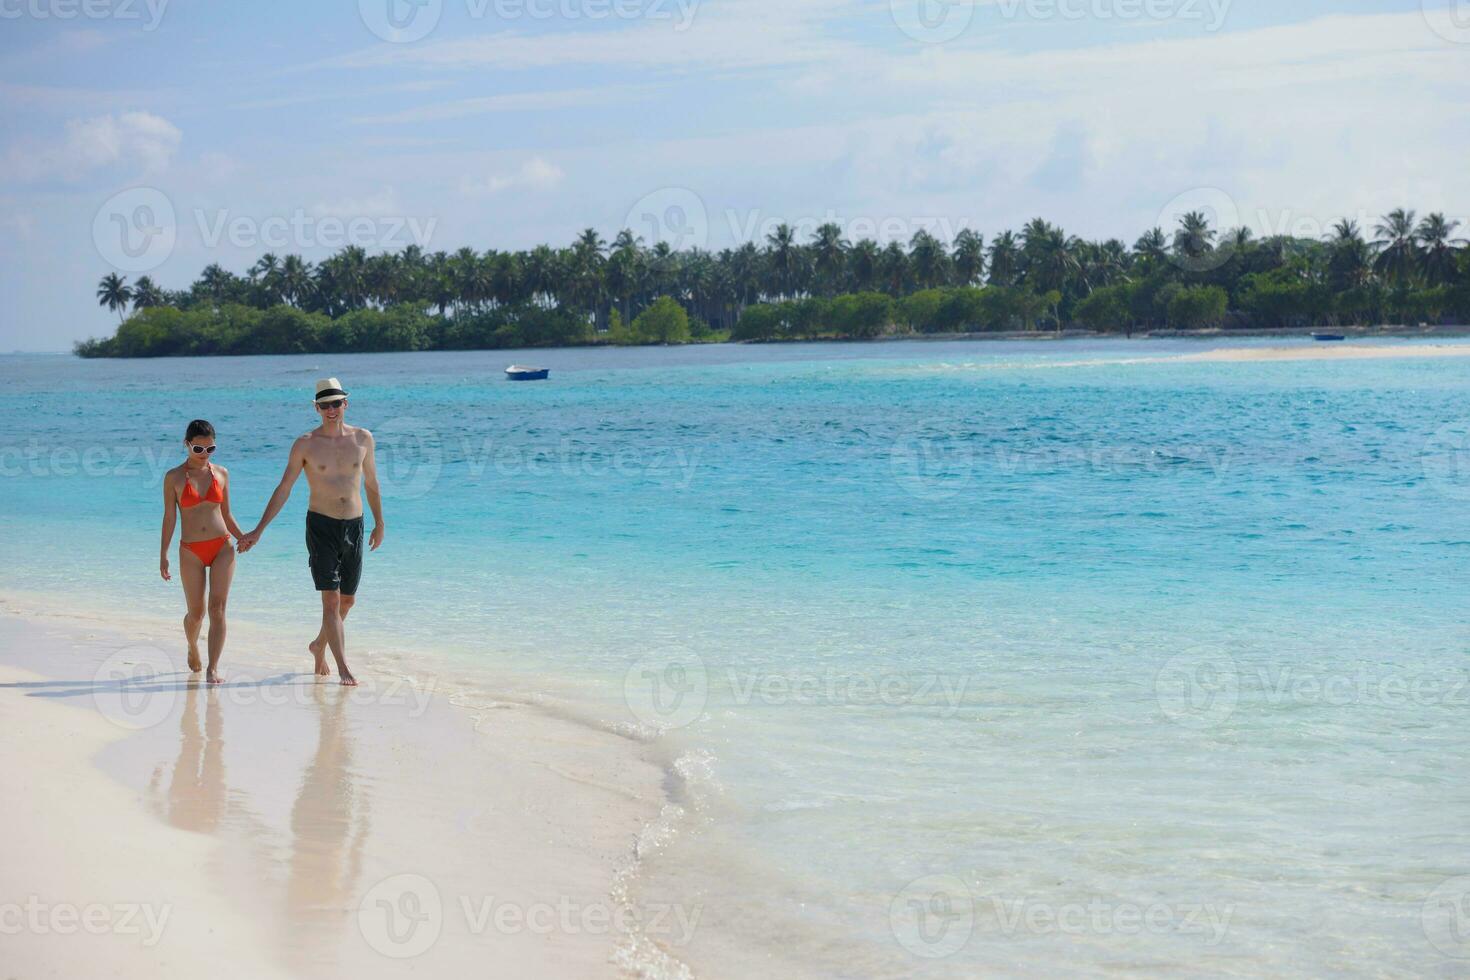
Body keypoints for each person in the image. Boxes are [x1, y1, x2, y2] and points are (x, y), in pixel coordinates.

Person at [238, 378, 383, 686]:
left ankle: (319, 645)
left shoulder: (363, 439)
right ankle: (343, 666)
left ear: (346, 403)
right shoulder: (305, 444)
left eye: (336, 403)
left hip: (355, 525)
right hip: (321, 525)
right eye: (324, 405)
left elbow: (371, 483)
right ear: (316, 408)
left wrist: (379, 523)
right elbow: (285, 487)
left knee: (347, 601)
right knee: (330, 601)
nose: (331, 410)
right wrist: (259, 529)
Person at [160, 419, 244, 685]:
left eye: (210, 449)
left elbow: (227, 514)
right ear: (187, 445)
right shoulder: (173, 477)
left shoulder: (222, 473)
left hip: (222, 546)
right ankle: (192, 646)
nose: (205, 455)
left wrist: (243, 537)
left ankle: (213, 668)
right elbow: (170, 518)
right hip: (190, 550)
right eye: (198, 449)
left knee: (218, 608)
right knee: (196, 614)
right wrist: (163, 554)